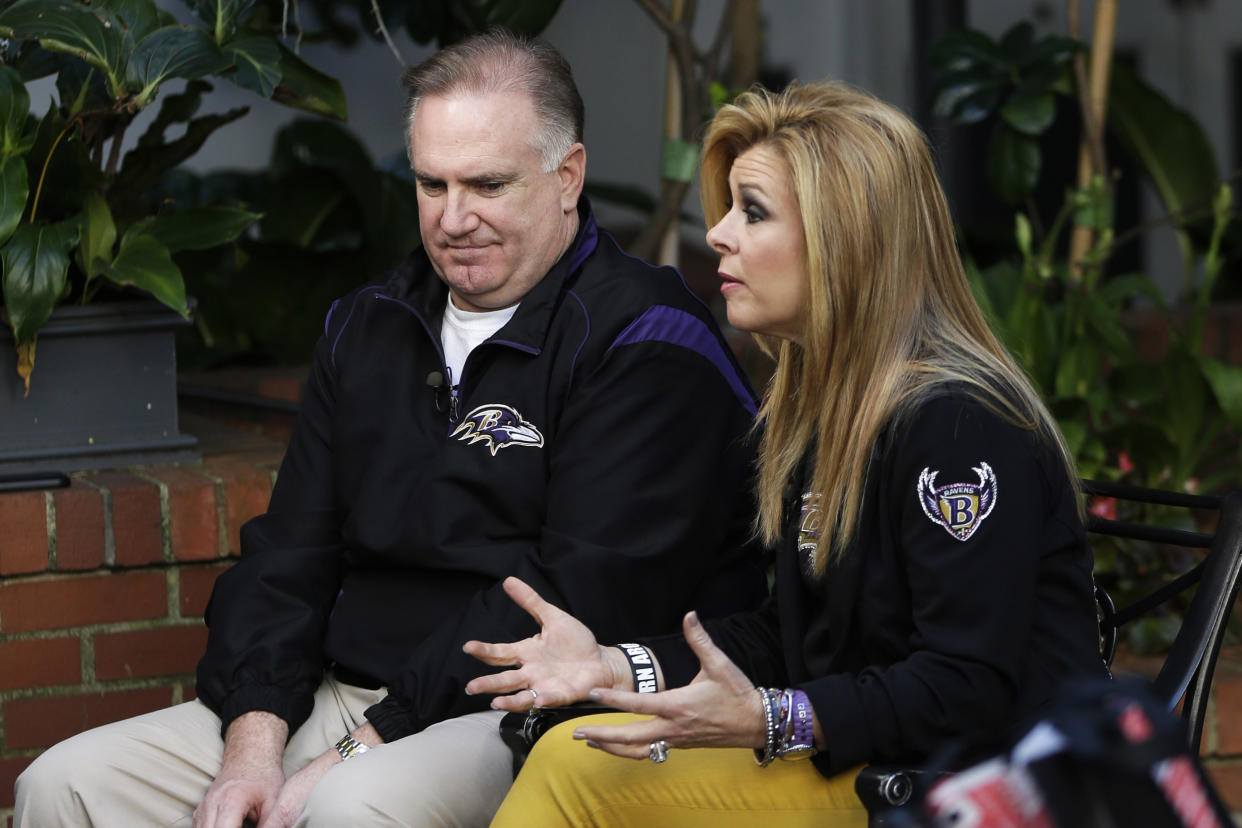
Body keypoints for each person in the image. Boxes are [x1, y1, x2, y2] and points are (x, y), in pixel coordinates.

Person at [14, 30, 766, 828]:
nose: (453, 218)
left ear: (567, 176)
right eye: (430, 184)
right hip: (340, 694)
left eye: (487, 185)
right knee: (66, 785)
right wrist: (254, 751)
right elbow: (288, 557)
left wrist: (359, 748)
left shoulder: (647, 338)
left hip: (527, 709)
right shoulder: (369, 323)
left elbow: (572, 598)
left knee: (348, 809)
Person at [463, 80, 1110, 826]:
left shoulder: (957, 426)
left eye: (755, 211)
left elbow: (967, 684)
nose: (719, 235)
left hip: (973, 788)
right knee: (581, 749)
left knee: (579, 776)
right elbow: (792, 636)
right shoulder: (826, 405)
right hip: (877, 765)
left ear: (846, 237)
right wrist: (614, 666)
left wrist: (777, 720)